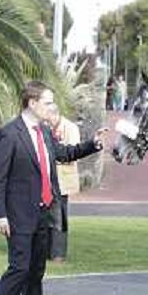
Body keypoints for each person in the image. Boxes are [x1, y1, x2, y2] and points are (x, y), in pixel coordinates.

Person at [0, 81, 108, 295]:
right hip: (18, 216)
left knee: (36, 271)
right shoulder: (10, 133)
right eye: (48, 102)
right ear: (32, 103)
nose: (53, 107)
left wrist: (92, 145)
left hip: (43, 213)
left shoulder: (44, 132)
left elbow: (64, 154)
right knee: (19, 269)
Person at [46, 105, 81, 263]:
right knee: (46, 216)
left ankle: (58, 253)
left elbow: (73, 153)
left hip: (62, 181)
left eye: (49, 118)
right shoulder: (46, 128)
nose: (47, 121)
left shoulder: (70, 128)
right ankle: (46, 250)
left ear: (55, 115)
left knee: (59, 217)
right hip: (46, 181)